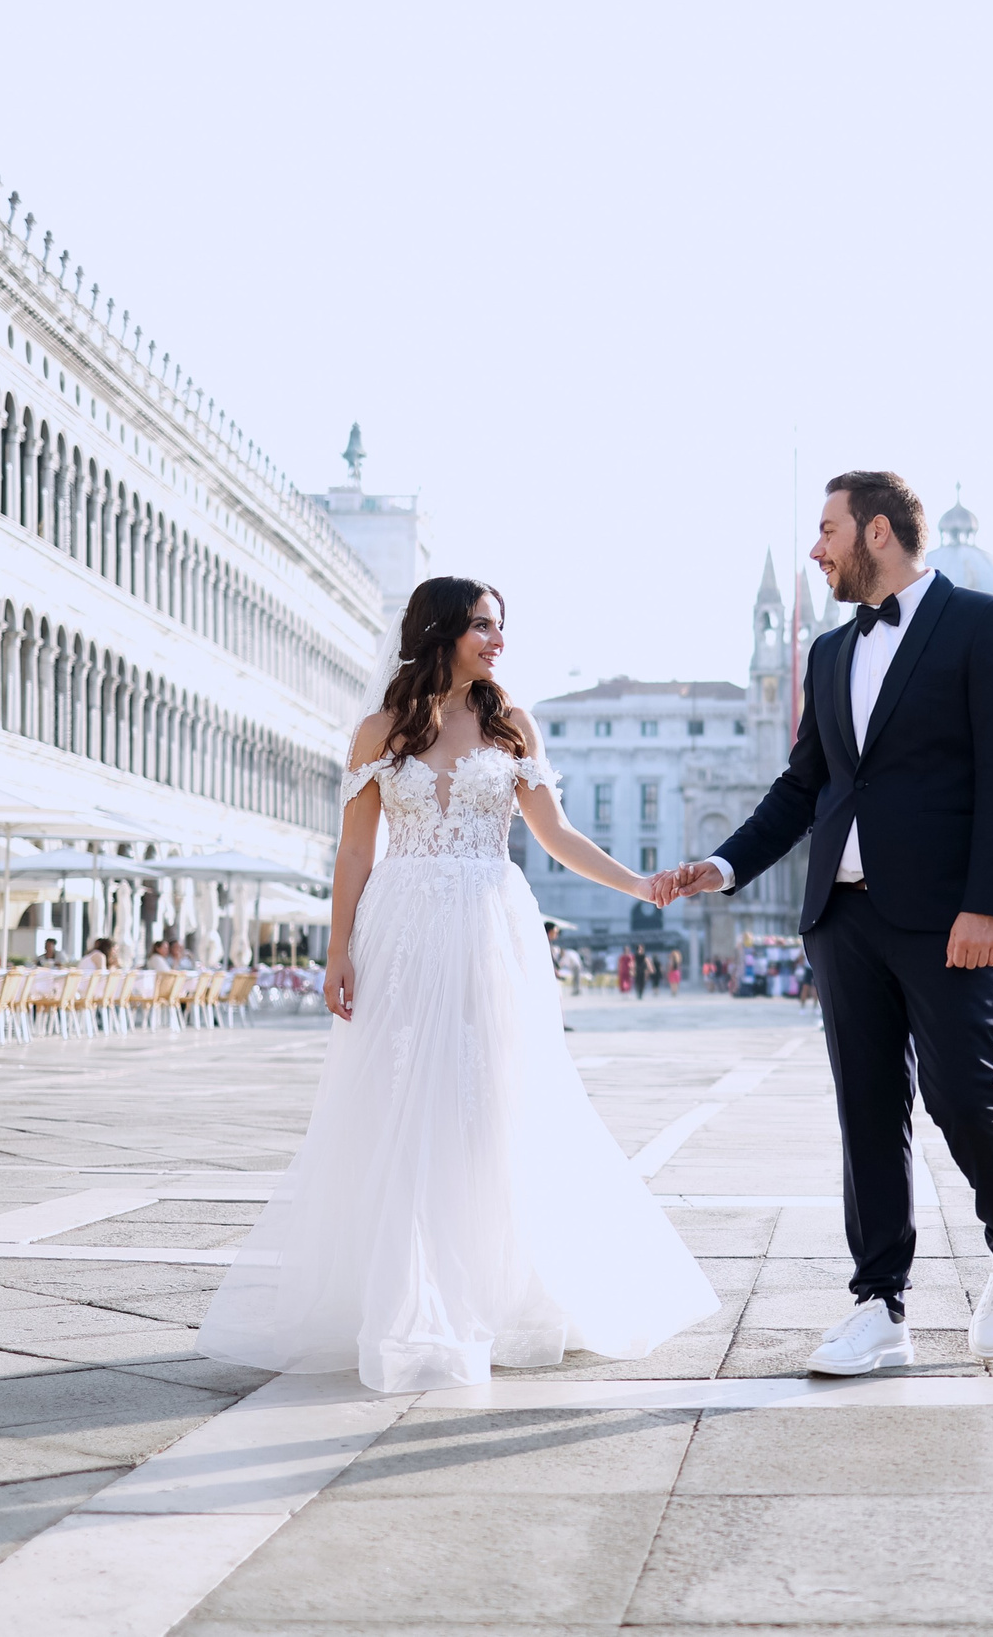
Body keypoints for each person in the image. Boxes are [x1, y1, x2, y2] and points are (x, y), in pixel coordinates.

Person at [198, 576, 714, 1393]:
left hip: (489, 927)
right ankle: (409, 1298)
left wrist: (640, 885)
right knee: (404, 1104)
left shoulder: (511, 724)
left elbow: (558, 835)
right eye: (482, 625)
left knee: (492, 1103)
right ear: (441, 630)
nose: (497, 640)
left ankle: (493, 1291)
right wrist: (338, 948)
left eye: (500, 626)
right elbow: (356, 853)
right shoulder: (378, 731)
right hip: (400, 929)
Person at [656, 470, 993, 1377]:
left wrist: (987, 901)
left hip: (952, 915)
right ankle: (881, 1303)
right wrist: (724, 864)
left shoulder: (985, 625)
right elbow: (806, 786)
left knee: (962, 1094)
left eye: (826, 528)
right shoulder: (830, 654)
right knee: (867, 1112)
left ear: (875, 533)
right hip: (843, 914)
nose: (815, 547)